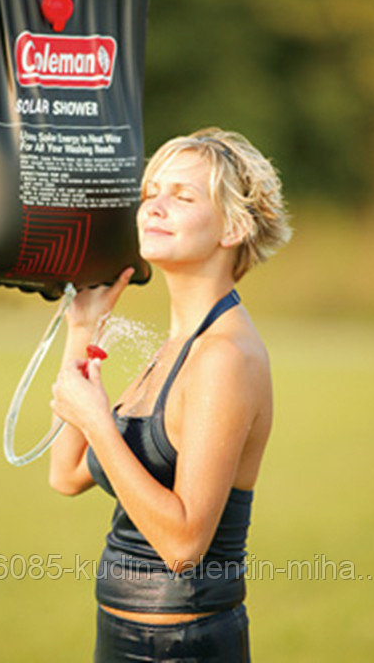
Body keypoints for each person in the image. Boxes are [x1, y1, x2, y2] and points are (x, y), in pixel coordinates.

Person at [48, 128, 292, 662]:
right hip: (121, 634)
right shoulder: (178, 345)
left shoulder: (224, 356)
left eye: (182, 197)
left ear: (234, 226)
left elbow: (183, 546)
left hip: (182, 645)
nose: (154, 207)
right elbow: (65, 475)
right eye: (150, 192)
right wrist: (83, 331)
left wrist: (99, 422)